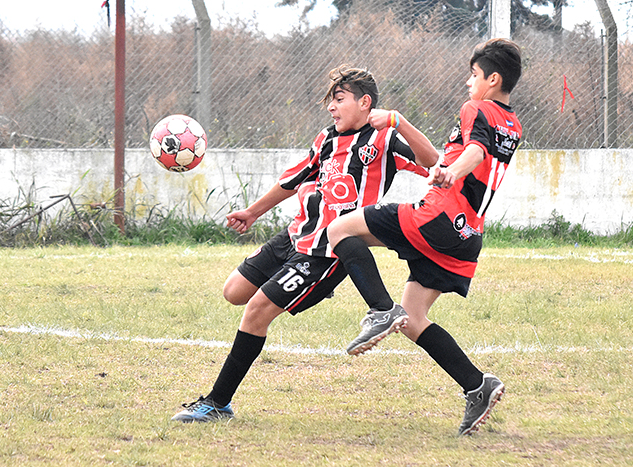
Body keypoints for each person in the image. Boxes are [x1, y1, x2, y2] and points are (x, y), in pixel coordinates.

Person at [171, 65, 439, 423]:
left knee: (256, 311)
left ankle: (218, 403)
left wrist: (398, 122)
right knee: (234, 292)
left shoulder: (384, 140)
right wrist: (252, 212)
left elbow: (432, 162)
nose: (331, 107)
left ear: (365, 103)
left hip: (327, 252)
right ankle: (312, 290)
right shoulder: (326, 139)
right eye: (330, 100)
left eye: (339, 100)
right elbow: (293, 181)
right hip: (295, 236)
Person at [326, 38, 523, 436]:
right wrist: (406, 128)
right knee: (414, 318)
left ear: (493, 79)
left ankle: (380, 310)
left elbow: (477, 152)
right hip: (466, 235)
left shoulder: (476, 107)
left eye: (474, 75)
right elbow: (472, 155)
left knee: (339, 228)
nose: (469, 83)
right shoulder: (512, 122)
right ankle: (477, 385)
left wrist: (455, 170)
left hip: (436, 216)